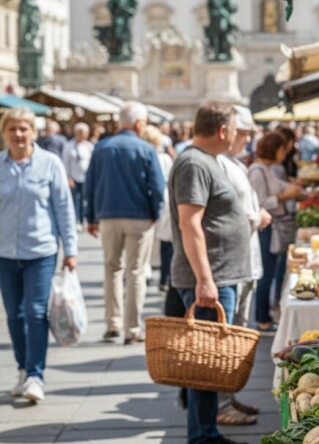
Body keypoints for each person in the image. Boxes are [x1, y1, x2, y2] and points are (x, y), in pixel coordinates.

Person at [168, 101, 250, 444]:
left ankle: (205, 430)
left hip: (219, 275)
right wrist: (204, 279)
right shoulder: (193, 163)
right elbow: (190, 224)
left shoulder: (207, 161)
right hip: (210, 278)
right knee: (205, 363)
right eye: (233, 129)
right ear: (222, 130)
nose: (234, 135)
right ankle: (202, 436)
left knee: (207, 362)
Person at [0, 108, 77, 402]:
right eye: (13, 129)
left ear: (34, 132)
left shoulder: (50, 164)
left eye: (24, 129)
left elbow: (64, 208)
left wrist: (70, 250)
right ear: (4, 133)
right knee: (14, 316)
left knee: (34, 312)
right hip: (5, 253)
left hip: (41, 251)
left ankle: (35, 375)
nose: (18, 135)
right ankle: (22, 369)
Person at [85, 101, 165, 344]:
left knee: (111, 270)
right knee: (136, 272)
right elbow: (157, 187)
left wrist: (91, 217)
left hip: (108, 215)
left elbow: (90, 184)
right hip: (139, 217)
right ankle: (132, 328)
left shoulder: (101, 147)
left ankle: (113, 324)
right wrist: (155, 214)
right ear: (139, 123)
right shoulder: (146, 148)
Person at [215, 106, 271, 425]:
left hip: (247, 261)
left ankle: (230, 395)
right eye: (245, 132)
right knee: (228, 336)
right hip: (232, 262)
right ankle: (222, 403)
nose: (249, 138)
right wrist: (256, 217)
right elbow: (225, 212)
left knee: (239, 332)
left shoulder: (235, 164)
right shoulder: (218, 165)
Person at [249, 133, 301, 331]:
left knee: (270, 271)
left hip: (270, 226)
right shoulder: (257, 171)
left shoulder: (266, 170)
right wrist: (284, 196)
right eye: (282, 149)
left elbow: (281, 187)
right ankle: (262, 318)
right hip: (265, 228)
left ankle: (267, 314)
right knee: (266, 273)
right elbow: (261, 203)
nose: (284, 153)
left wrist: (294, 188)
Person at [141, 125, 174, 293]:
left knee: (148, 241)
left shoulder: (143, 156)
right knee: (165, 241)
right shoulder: (164, 158)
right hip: (164, 201)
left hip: (146, 202)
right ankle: (164, 277)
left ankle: (147, 272)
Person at [61, 123, 94, 228]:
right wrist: (68, 177)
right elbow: (65, 162)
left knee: (85, 199)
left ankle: (83, 219)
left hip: (86, 177)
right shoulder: (69, 146)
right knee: (74, 199)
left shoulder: (89, 146)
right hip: (73, 177)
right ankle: (75, 220)